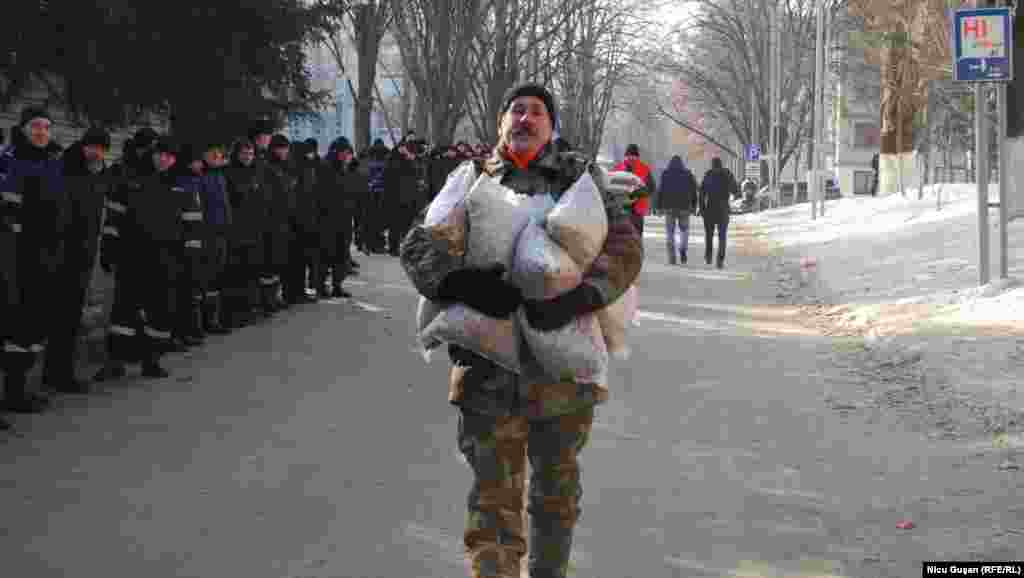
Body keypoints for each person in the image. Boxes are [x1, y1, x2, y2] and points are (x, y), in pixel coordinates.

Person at [400, 83, 643, 578]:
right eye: (516, 110)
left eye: (536, 112)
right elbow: (419, 243)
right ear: (501, 124)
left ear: (551, 127)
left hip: (562, 379)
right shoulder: (470, 179)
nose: (525, 118)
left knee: (556, 497)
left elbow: (624, 247)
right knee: (492, 503)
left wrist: (579, 299)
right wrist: (459, 282)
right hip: (486, 377)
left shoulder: (580, 184)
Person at [0, 107, 69, 417]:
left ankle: (21, 391)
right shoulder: (10, 159)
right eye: (35, 126)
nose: (41, 131)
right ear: (23, 129)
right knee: (14, 323)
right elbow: (7, 211)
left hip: (46, 255)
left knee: (34, 321)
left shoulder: (53, 163)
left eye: (46, 127)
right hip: (17, 255)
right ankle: (11, 393)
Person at [43, 127, 112, 393]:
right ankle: (54, 373)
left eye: (102, 149)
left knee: (71, 316)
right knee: (58, 316)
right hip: (61, 253)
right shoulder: (65, 170)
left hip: (83, 254)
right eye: (93, 147)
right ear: (84, 146)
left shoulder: (98, 174)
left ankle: (62, 372)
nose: (97, 152)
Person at [223, 138, 267, 326]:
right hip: (236, 230)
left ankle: (249, 308)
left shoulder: (256, 172)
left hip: (254, 229)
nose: (248, 157)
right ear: (236, 154)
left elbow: (261, 199)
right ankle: (234, 311)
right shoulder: (228, 172)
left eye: (250, 154)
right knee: (236, 272)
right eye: (244, 153)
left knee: (251, 270)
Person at [658, 155, 698, 265]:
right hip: (684, 207)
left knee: (670, 232)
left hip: (669, 207)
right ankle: (683, 248)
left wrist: (658, 206)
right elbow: (693, 191)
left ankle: (672, 258)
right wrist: (694, 205)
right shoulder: (688, 174)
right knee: (684, 230)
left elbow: (660, 191)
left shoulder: (665, 174)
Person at [699, 156, 737, 269]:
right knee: (722, 236)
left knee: (709, 235)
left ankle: (709, 255)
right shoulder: (727, 174)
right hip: (723, 208)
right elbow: (735, 190)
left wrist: (702, 209)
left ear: (712, 165)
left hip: (710, 208)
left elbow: (702, 193)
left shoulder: (708, 174)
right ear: (721, 164)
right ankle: (720, 260)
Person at [613, 143, 656, 236]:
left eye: (632, 156)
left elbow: (610, 187)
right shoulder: (644, 168)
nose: (631, 159)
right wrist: (639, 193)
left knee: (622, 237)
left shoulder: (617, 168)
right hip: (635, 210)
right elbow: (651, 188)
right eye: (630, 156)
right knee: (636, 237)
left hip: (622, 209)